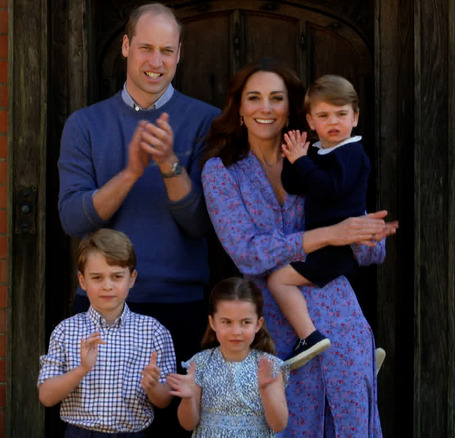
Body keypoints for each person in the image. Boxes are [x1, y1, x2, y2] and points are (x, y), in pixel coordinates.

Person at [201, 58, 397, 437]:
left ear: (290, 109)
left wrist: (368, 235)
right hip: (271, 324)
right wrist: (327, 235)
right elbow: (246, 252)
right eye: (254, 98)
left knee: (349, 424)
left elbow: (361, 241)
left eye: (276, 98)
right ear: (239, 108)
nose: (265, 108)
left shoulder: (320, 158)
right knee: (288, 426)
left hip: (340, 316)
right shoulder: (222, 171)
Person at [57, 3, 220, 436]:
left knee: (176, 430)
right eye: (146, 47)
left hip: (181, 309)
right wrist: (130, 172)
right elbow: (74, 220)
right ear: (126, 46)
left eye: (167, 50)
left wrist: (168, 164)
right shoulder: (85, 125)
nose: (156, 61)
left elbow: (204, 223)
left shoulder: (206, 122)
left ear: (180, 54)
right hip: (103, 309)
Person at [267, 74, 376, 370]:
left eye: (341, 114)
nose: (334, 122)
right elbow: (295, 185)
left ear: (355, 117)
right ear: (311, 121)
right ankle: (358, 354)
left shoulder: (352, 153)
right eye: (324, 115)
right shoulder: (319, 151)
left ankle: (309, 337)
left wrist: (303, 161)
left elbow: (330, 189)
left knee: (278, 280)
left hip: (337, 247)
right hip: (323, 242)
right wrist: (294, 157)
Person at [37, 228, 176, 437]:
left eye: (117, 276)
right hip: (80, 432)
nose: (107, 286)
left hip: (132, 433)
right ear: (82, 281)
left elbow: (164, 401)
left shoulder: (153, 332)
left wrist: (154, 387)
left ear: (132, 278)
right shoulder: (66, 331)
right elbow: (46, 396)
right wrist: (82, 369)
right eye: (97, 278)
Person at [167, 277, 288, 437]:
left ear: (258, 324)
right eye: (227, 322)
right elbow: (188, 424)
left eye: (245, 322)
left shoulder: (269, 365)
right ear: (213, 322)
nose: (236, 331)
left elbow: (279, 425)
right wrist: (188, 398)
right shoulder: (200, 363)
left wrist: (266, 390)